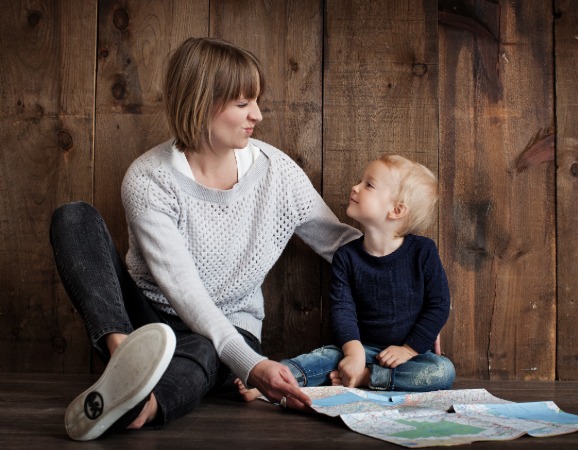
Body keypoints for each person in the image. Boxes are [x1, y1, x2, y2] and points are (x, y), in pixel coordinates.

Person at [49, 37, 361, 441]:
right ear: (202, 102)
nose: (258, 115)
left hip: (229, 328)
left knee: (203, 348)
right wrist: (253, 367)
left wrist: (411, 291)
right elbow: (185, 292)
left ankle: (142, 405)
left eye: (256, 101)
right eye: (243, 103)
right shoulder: (149, 179)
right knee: (73, 217)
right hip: (146, 321)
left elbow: (340, 244)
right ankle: (125, 358)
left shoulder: (276, 173)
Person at [239, 154, 454, 400]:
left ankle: (367, 378)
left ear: (396, 210)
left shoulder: (423, 252)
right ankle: (269, 382)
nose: (356, 187)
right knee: (321, 359)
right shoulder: (347, 257)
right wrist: (353, 353)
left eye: (368, 185)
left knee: (442, 371)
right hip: (360, 347)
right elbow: (342, 309)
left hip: (409, 357)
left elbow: (438, 305)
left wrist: (409, 349)